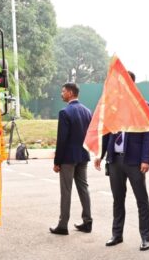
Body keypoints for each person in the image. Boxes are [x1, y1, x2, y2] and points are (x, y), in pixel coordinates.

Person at [94, 71, 149, 251]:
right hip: (115, 161)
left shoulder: (143, 106)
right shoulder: (113, 107)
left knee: (141, 199)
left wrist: (145, 159)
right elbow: (106, 134)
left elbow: (147, 135)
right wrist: (101, 154)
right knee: (117, 199)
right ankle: (117, 234)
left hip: (134, 161)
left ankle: (145, 237)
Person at [50, 82, 93, 235]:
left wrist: (57, 162)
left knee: (66, 191)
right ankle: (87, 221)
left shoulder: (65, 112)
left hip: (68, 158)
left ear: (70, 93)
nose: (61, 94)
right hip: (83, 156)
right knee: (83, 188)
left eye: (63, 91)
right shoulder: (87, 111)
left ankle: (63, 225)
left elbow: (62, 139)